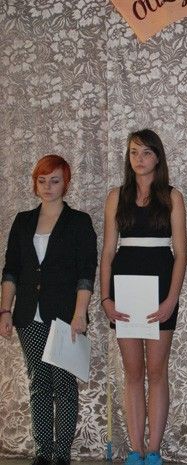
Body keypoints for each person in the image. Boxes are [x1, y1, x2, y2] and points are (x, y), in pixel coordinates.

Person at [0, 155, 97, 465]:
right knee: (38, 382)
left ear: (65, 183)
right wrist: (5, 310)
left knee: (64, 384)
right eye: (41, 181)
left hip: (66, 315)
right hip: (28, 314)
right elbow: (11, 270)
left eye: (54, 180)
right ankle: (43, 452)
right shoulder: (22, 221)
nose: (47, 186)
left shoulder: (79, 222)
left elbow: (86, 272)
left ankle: (62, 453)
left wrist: (80, 313)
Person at [100, 129, 187, 465]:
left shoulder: (173, 197)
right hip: (124, 292)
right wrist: (106, 298)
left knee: (157, 371)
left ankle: (154, 451)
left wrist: (171, 300)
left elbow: (181, 254)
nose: (139, 158)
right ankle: (135, 451)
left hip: (162, 290)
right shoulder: (116, 196)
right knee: (133, 372)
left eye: (147, 152)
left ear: (158, 157)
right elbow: (108, 252)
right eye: (134, 152)